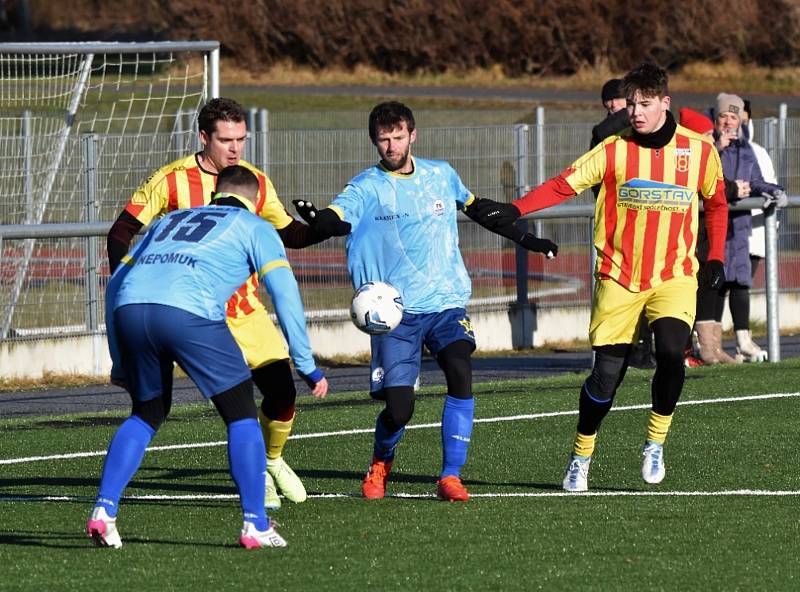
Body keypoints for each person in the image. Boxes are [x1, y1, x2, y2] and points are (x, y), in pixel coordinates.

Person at [467, 62, 730, 491]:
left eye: (645, 103)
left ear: (666, 102)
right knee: (607, 377)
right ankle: (581, 454)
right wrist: (515, 210)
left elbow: (717, 204)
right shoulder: (612, 150)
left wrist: (715, 257)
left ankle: (655, 442)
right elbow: (562, 184)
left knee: (669, 351)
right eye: (631, 104)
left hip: (674, 275)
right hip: (618, 276)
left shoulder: (698, 150)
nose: (636, 112)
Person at [292, 101, 557, 502]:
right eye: (383, 139)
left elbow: (480, 209)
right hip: (394, 314)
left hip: (446, 302)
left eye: (398, 137)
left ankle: (450, 476)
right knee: (400, 409)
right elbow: (337, 219)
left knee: (460, 369)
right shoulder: (366, 187)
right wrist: (317, 220)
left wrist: (528, 239)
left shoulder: (440, 174)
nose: (391, 146)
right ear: (374, 142)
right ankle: (381, 461)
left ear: (412, 135)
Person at [90, 165, 327, 549]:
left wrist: (119, 358)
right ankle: (256, 523)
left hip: (131, 309)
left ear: (217, 192)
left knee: (147, 413)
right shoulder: (255, 226)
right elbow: (285, 295)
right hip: (189, 312)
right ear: (254, 200)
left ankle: (104, 510)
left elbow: (116, 281)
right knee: (241, 414)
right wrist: (306, 364)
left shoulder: (173, 220)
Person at [694, 93, 786, 364]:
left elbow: (757, 181)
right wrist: (718, 148)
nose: (728, 122)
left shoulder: (746, 150)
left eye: (733, 117)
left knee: (739, 283)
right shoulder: (707, 146)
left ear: (741, 120)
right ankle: (706, 347)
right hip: (712, 229)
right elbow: (702, 181)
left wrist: (774, 191)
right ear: (716, 119)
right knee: (711, 284)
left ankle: (723, 347)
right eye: (724, 116)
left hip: (740, 231)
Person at [592, 78, 654, 370]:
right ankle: (622, 351)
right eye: (611, 106)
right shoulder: (606, 131)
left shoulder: (647, 123)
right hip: (618, 222)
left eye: (619, 103)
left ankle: (647, 349)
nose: (615, 110)